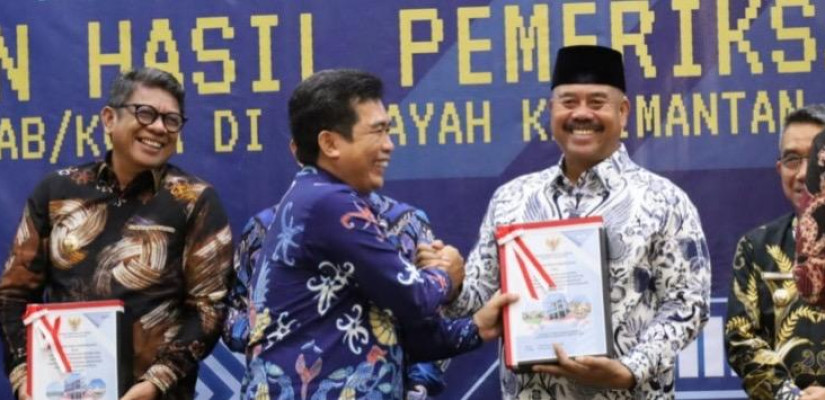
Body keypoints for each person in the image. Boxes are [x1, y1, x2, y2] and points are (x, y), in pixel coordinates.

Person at [431, 45, 711, 399]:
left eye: (597, 103)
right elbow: (477, 304)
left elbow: (688, 303)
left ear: (623, 112)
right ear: (551, 111)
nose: (581, 114)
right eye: (568, 102)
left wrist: (631, 369)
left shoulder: (665, 201)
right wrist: (453, 283)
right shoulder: (512, 199)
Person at [240, 69, 516, 399]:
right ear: (330, 143)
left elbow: (400, 332)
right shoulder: (328, 203)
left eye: (389, 131)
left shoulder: (318, 199)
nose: (389, 145)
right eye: (378, 131)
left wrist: (477, 327)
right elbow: (414, 297)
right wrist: (447, 273)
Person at [0, 67, 233, 400]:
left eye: (171, 120)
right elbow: (13, 296)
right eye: (145, 113)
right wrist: (24, 375)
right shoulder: (56, 192)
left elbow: (209, 308)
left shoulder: (194, 201)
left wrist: (157, 382)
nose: (159, 127)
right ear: (109, 119)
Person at [224, 193, 450, 399]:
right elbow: (234, 314)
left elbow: (432, 316)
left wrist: (419, 383)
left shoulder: (406, 224)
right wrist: (272, 331)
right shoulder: (264, 228)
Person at [726, 104, 825, 399]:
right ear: (780, 169)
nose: (804, 173)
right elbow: (741, 339)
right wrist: (791, 396)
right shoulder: (755, 248)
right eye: (793, 160)